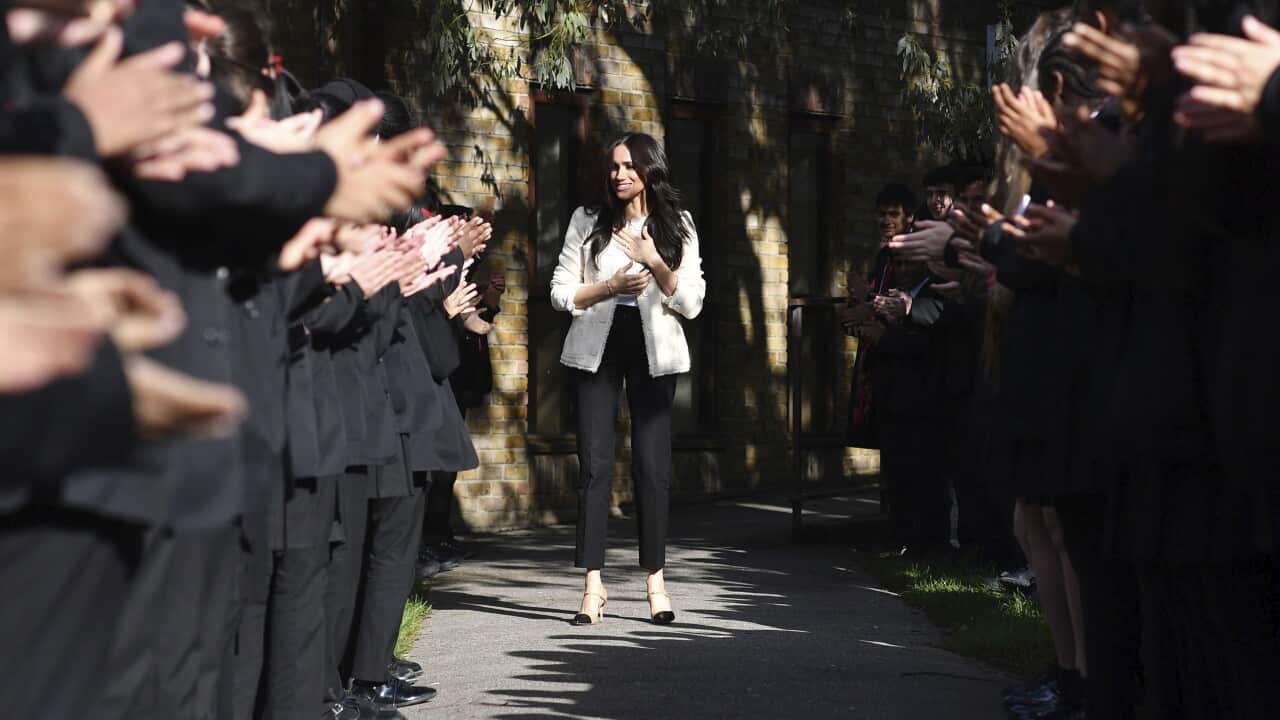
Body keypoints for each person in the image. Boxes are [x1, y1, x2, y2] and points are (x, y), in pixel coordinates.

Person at [549, 132, 705, 626]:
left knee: (652, 468)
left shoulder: (677, 224)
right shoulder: (587, 220)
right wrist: (610, 286)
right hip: (596, 345)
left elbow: (693, 303)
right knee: (595, 465)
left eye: (628, 166)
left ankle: (655, 582)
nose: (619, 174)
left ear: (649, 171)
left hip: (653, 348)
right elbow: (560, 292)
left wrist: (654, 259)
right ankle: (593, 586)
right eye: (613, 166)